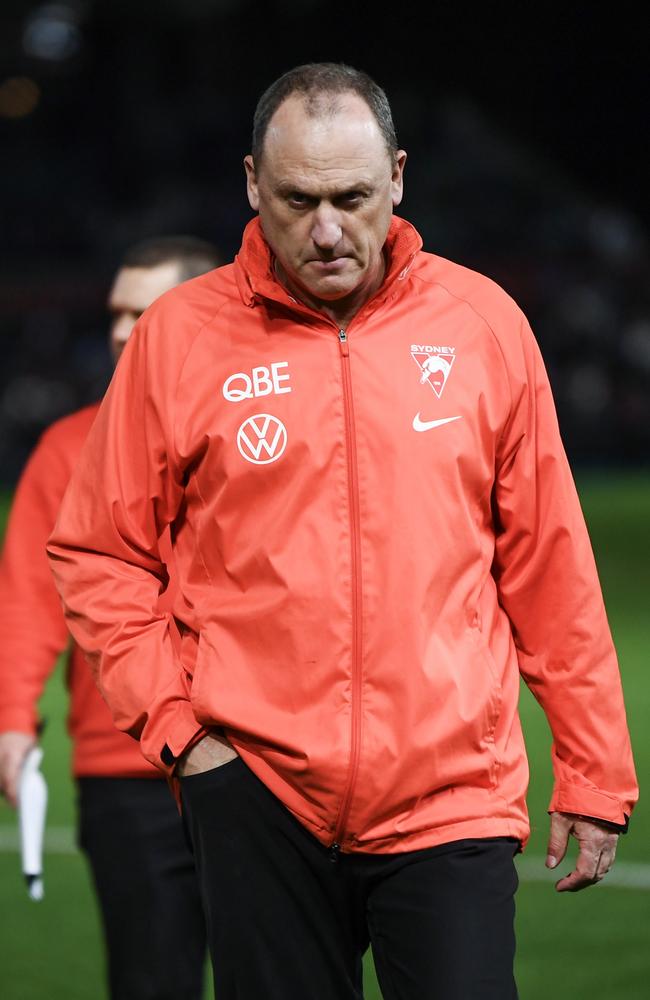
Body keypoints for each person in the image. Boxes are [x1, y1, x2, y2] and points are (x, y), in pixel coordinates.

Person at [46, 64, 638, 1000]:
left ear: (397, 178)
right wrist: (186, 739)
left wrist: (595, 767)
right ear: (251, 184)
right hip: (257, 797)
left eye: (352, 198)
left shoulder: (484, 324)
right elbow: (98, 553)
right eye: (297, 200)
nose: (327, 231)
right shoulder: (177, 338)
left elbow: (549, 562)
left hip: (452, 799)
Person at [0, 234, 222, 1000]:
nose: (123, 331)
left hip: (264, 757)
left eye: (143, 311)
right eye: (116, 315)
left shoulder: (262, 427)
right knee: (152, 983)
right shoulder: (67, 447)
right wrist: (12, 720)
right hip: (128, 769)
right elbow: (29, 596)